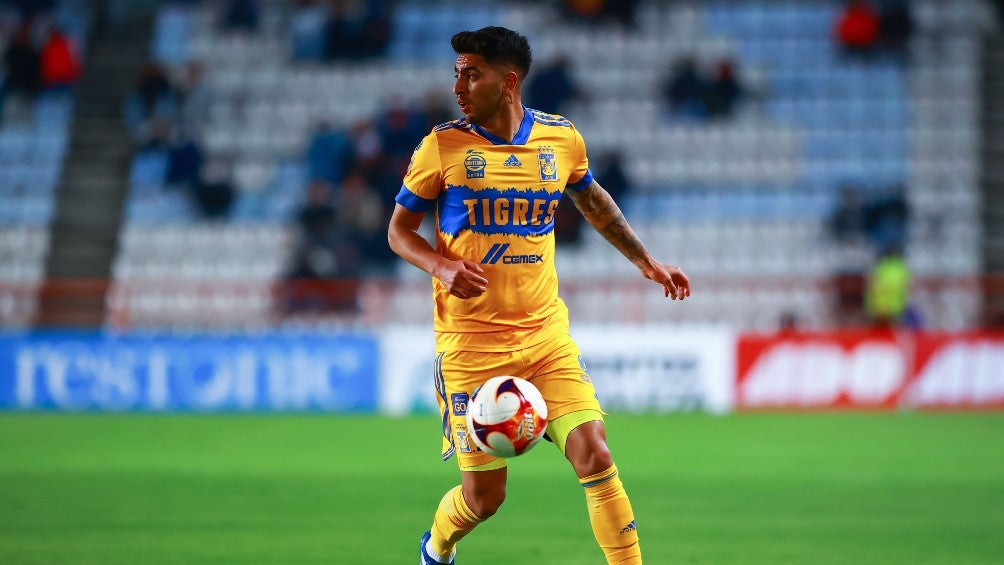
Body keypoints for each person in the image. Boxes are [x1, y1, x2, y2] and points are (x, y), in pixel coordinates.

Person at [387, 26, 690, 565]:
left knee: (596, 454)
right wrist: (441, 266)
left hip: (545, 338)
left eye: (471, 74)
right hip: (471, 346)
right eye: (457, 74)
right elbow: (399, 231)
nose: (458, 87)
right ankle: (436, 547)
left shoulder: (560, 138)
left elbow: (592, 200)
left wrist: (645, 260)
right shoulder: (442, 146)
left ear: (508, 82)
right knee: (485, 499)